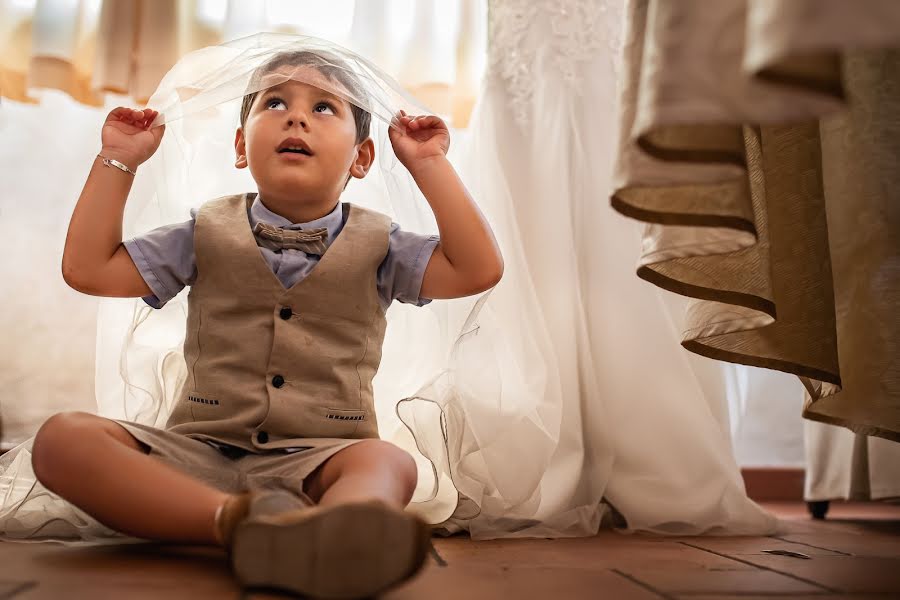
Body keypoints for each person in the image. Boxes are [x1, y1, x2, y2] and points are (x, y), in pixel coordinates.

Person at [31, 47, 503, 599]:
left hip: (321, 458)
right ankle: (238, 523)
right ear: (240, 146)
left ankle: (343, 529)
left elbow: (477, 269)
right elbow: (89, 270)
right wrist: (120, 160)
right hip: (199, 452)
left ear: (362, 157)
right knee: (63, 439)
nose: (296, 116)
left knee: (388, 461)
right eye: (274, 102)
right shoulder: (202, 231)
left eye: (325, 107)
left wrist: (429, 163)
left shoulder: (383, 245)